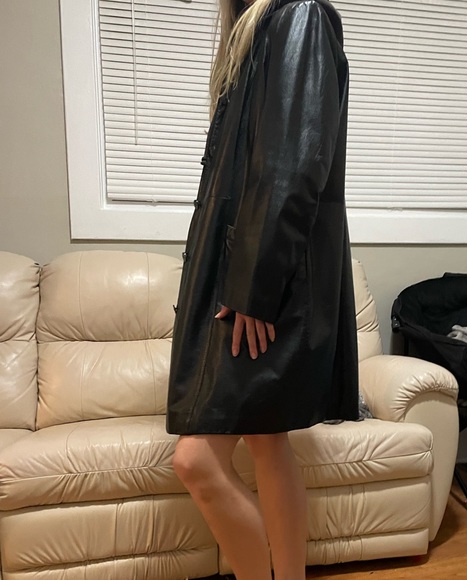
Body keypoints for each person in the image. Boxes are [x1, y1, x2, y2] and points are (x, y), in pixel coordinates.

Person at [166, 0, 358, 578]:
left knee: (196, 460)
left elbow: (295, 164)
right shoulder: (257, 30)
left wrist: (256, 285)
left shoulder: (300, 13)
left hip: (265, 282)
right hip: (251, 274)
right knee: (268, 441)